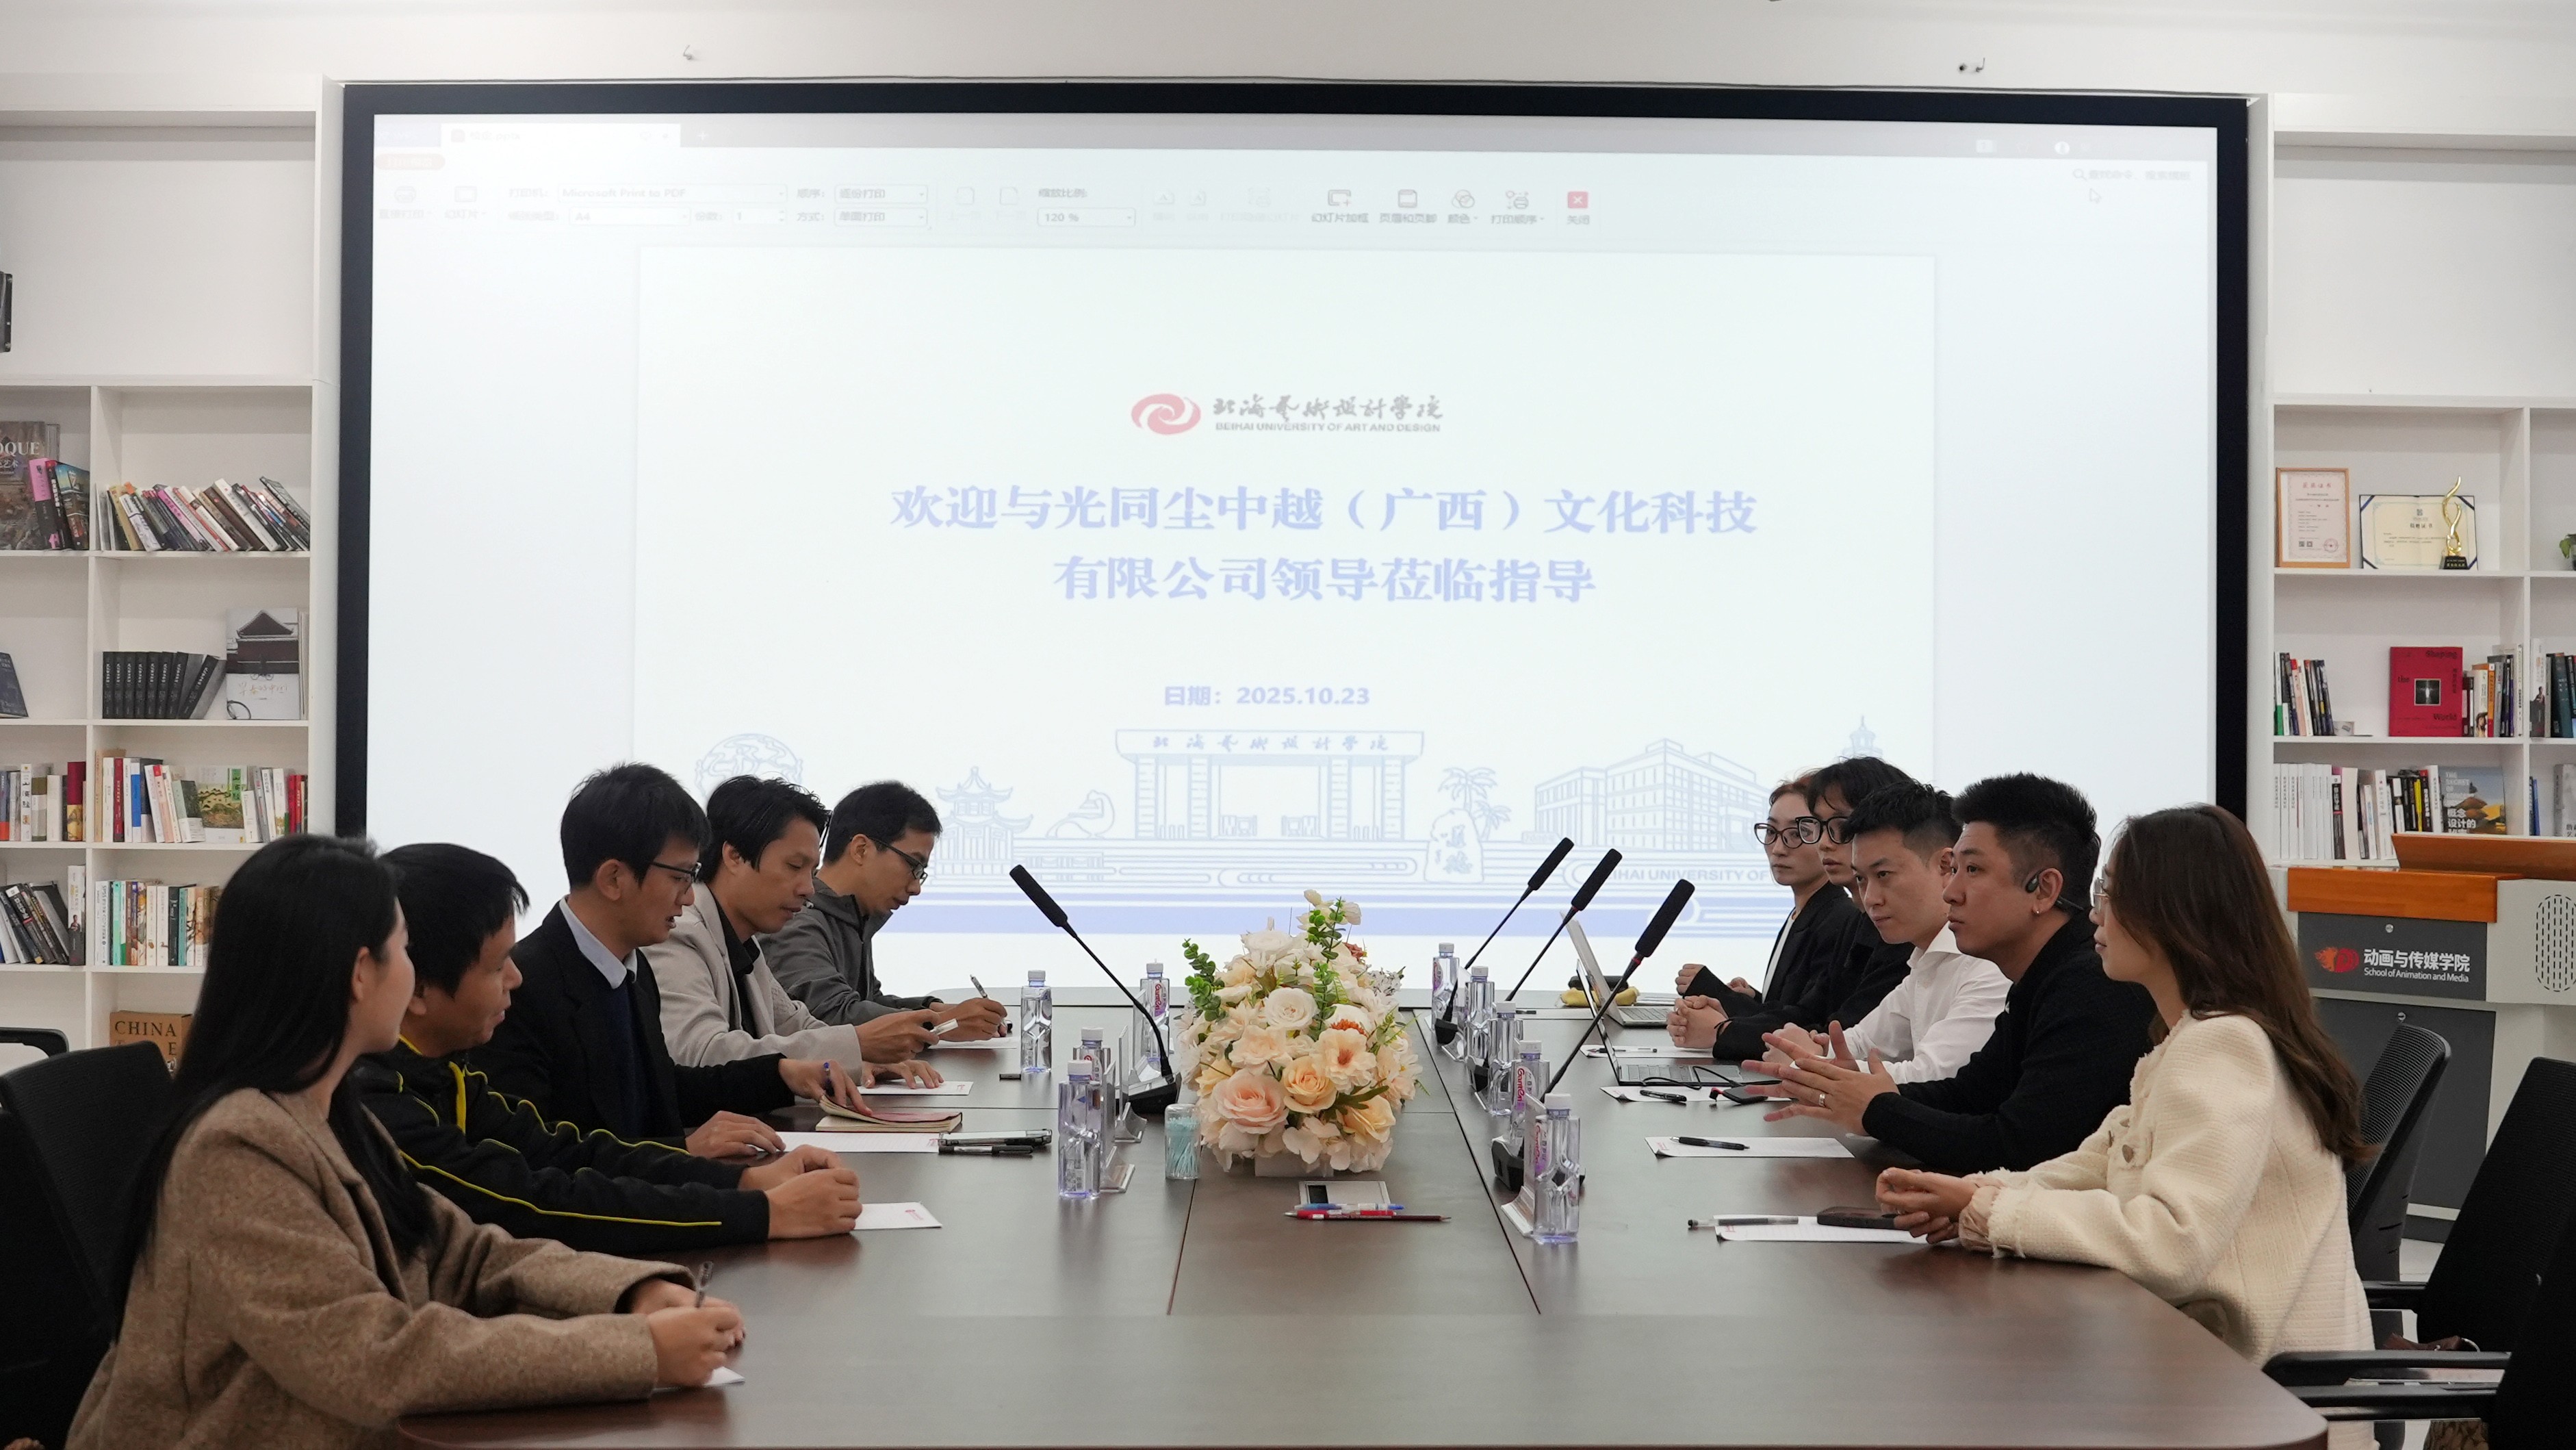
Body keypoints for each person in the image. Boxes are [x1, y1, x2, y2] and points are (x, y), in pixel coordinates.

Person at [70, 835, 745, 1450]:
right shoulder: (237, 1148)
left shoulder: (328, 1110)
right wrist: (635, 1351)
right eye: (402, 949)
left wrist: (630, 1294)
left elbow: (462, 1252)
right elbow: (373, 1357)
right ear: (361, 973)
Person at [1877, 804, 2373, 1369]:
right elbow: (2094, 1167)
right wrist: (1974, 1198)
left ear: (2175, 913)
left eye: (2111, 893)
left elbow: (2172, 1244)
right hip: (2206, 1363)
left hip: (2254, 1389)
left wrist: (1991, 1211)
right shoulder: (2186, 1038)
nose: (2095, 914)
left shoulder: (2224, 1046)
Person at [358, 841, 862, 1253]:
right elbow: (535, 1202)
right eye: (496, 966)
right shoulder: (378, 1104)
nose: (514, 977)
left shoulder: (445, 1072)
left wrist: (743, 1184)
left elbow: (565, 1152)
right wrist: (761, 1213)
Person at [1754, 772, 2159, 1172]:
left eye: (1973, 870)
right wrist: (1852, 1090)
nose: (1950, 892)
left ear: (2044, 889)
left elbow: (2019, 1145)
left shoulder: (2091, 986)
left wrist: (1873, 1107)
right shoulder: (2040, 976)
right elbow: (1968, 1093)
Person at [474, 763, 864, 1145]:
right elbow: (538, 1154)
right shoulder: (524, 986)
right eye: (680, 877)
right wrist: (684, 1152)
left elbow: (660, 1089)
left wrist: (780, 1075)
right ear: (614, 879)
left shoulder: (634, 968)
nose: (690, 897)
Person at [645, 775, 967, 1085]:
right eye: (794, 867)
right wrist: (857, 1044)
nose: (808, 888)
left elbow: (794, 1023)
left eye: (811, 870)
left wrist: (859, 1062)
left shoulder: (744, 943)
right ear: (735, 856)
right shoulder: (680, 934)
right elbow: (703, 1053)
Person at [1758, 783, 2008, 1084]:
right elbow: (1859, 1043)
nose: (1870, 898)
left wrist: (1807, 1063)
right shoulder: (1925, 959)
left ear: (1946, 866)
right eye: (1861, 879)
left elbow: (1933, 1077)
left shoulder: (1991, 964)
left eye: (1883, 875)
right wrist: (1812, 1051)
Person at [1669, 756, 1913, 1060]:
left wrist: (1723, 1029)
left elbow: (1834, 1037)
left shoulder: (1869, 926)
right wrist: (1728, 1013)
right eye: (1817, 828)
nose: (1823, 843)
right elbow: (1808, 1014)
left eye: (1839, 827)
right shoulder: (1858, 922)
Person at [767, 780, 1008, 1052]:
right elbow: (830, 1017)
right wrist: (942, 1023)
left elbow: (866, 1001)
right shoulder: (796, 921)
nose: (916, 887)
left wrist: (931, 1008)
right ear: (861, 849)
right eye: (914, 866)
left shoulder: (851, 916)